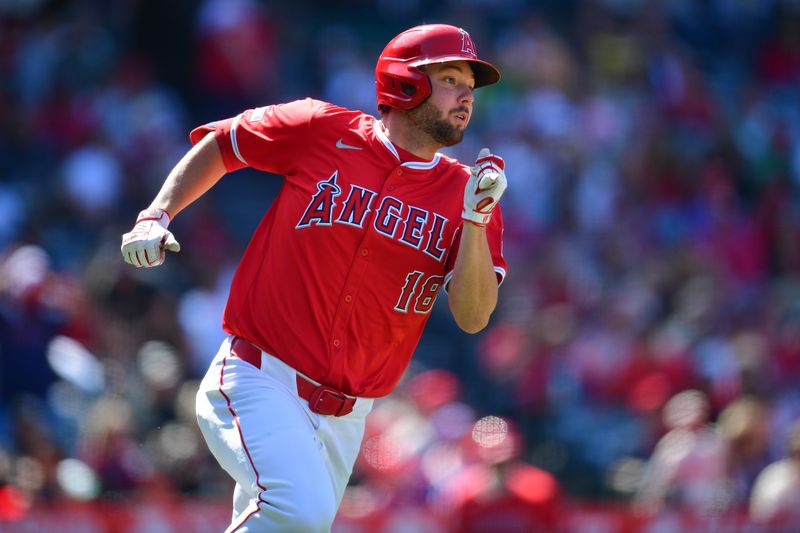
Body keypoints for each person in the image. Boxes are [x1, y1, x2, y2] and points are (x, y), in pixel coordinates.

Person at [120, 23, 508, 532]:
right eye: (453, 78)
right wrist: (157, 213)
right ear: (404, 82)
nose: (467, 96)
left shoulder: (468, 195)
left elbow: (474, 316)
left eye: (470, 86)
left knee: (290, 522)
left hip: (350, 417)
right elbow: (224, 143)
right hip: (260, 377)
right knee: (298, 512)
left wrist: (475, 222)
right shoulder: (321, 128)